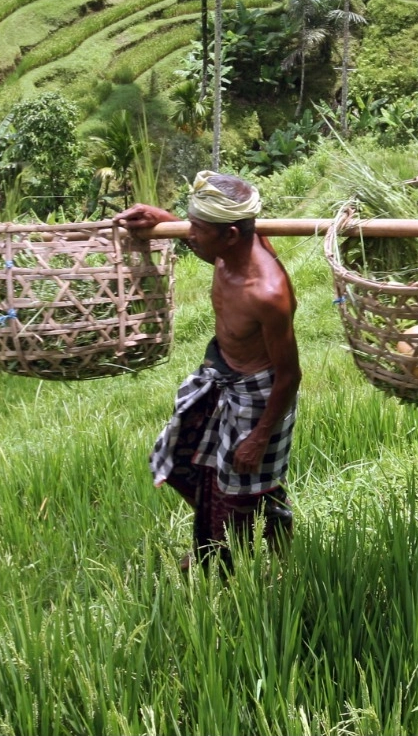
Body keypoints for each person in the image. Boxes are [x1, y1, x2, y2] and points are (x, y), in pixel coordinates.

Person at [117, 170, 300, 567]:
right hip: (220, 375)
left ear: (231, 235)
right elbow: (195, 232)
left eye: (196, 229)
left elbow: (290, 375)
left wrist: (258, 437)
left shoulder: (267, 294)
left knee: (239, 488)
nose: (189, 235)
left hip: (259, 393)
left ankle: (220, 557)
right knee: (178, 457)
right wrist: (160, 217)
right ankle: (256, 524)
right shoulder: (223, 248)